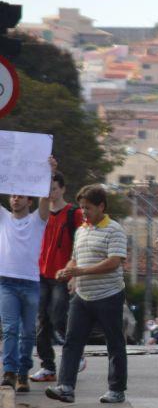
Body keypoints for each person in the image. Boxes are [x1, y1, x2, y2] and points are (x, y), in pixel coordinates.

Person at [45, 187, 128, 404]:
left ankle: (116, 389)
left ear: (101, 206)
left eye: (88, 208)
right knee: (72, 341)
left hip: (108, 295)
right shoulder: (81, 230)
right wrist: (68, 270)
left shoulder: (114, 229)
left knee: (114, 342)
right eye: (82, 208)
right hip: (82, 296)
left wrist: (80, 271)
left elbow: (114, 262)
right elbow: (75, 258)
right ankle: (65, 386)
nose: (84, 212)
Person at [32, 160, 84, 383]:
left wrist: (76, 275)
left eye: (54, 188)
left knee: (58, 318)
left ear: (63, 189)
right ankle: (48, 366)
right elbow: (42, 204)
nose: (51, 193)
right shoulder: (42, 213)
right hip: (42, 274)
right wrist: (47, 173)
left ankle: (76, 352)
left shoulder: (74, 213)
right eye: (48, 189)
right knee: (42, 321)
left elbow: (82, 244)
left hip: (63, 274)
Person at [1, 166, 52, 391]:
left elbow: (46, 197)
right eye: (13, 195)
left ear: (29, 200)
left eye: (20, 196)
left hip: (31, 283)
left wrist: (49, 171)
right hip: (6, 283)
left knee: (28, 331)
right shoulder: (3, 218)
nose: (15, 199)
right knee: (10, 328)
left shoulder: (37, 220)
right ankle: (9, 371)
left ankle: (23, 373)